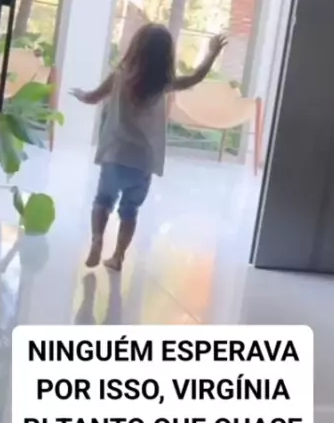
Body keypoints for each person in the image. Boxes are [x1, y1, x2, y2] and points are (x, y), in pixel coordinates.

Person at [71, 25, 227, 272]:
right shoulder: (163, 83)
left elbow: (92, 98)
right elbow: (195, 77)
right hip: (142, 160)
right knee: (130, 210)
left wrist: (79, 94)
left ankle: (97, 239)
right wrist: (212, 53)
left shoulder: (119, 76)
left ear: (135, 48)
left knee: (103, 200)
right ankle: (118, 256)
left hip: (115, 154)